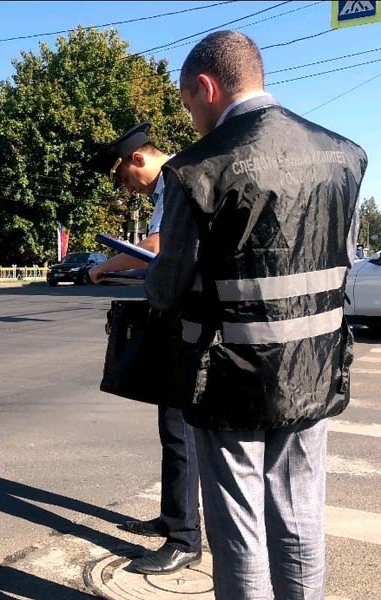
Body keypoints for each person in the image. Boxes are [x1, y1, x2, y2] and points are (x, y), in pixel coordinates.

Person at [146, 31, 366, 599]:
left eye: (189, 103)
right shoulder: (344, 155)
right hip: (313, 369)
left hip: (226, 380)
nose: (192, 117)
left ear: (206, 85)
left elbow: (169, 288)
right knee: (300, 517)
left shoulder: (197, 169)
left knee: (239, 530)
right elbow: (340, 262)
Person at [88, 124, 202, 575]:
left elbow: (157, 247)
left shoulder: (175, 180)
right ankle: (174, 516)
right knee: (171, 425)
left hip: (189, 320)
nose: (126, 187)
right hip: (177, 314)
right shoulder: (168, 186)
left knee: (179, 429)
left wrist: (104, 266)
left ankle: (185, 538)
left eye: (122, 178)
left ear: (137, 160)